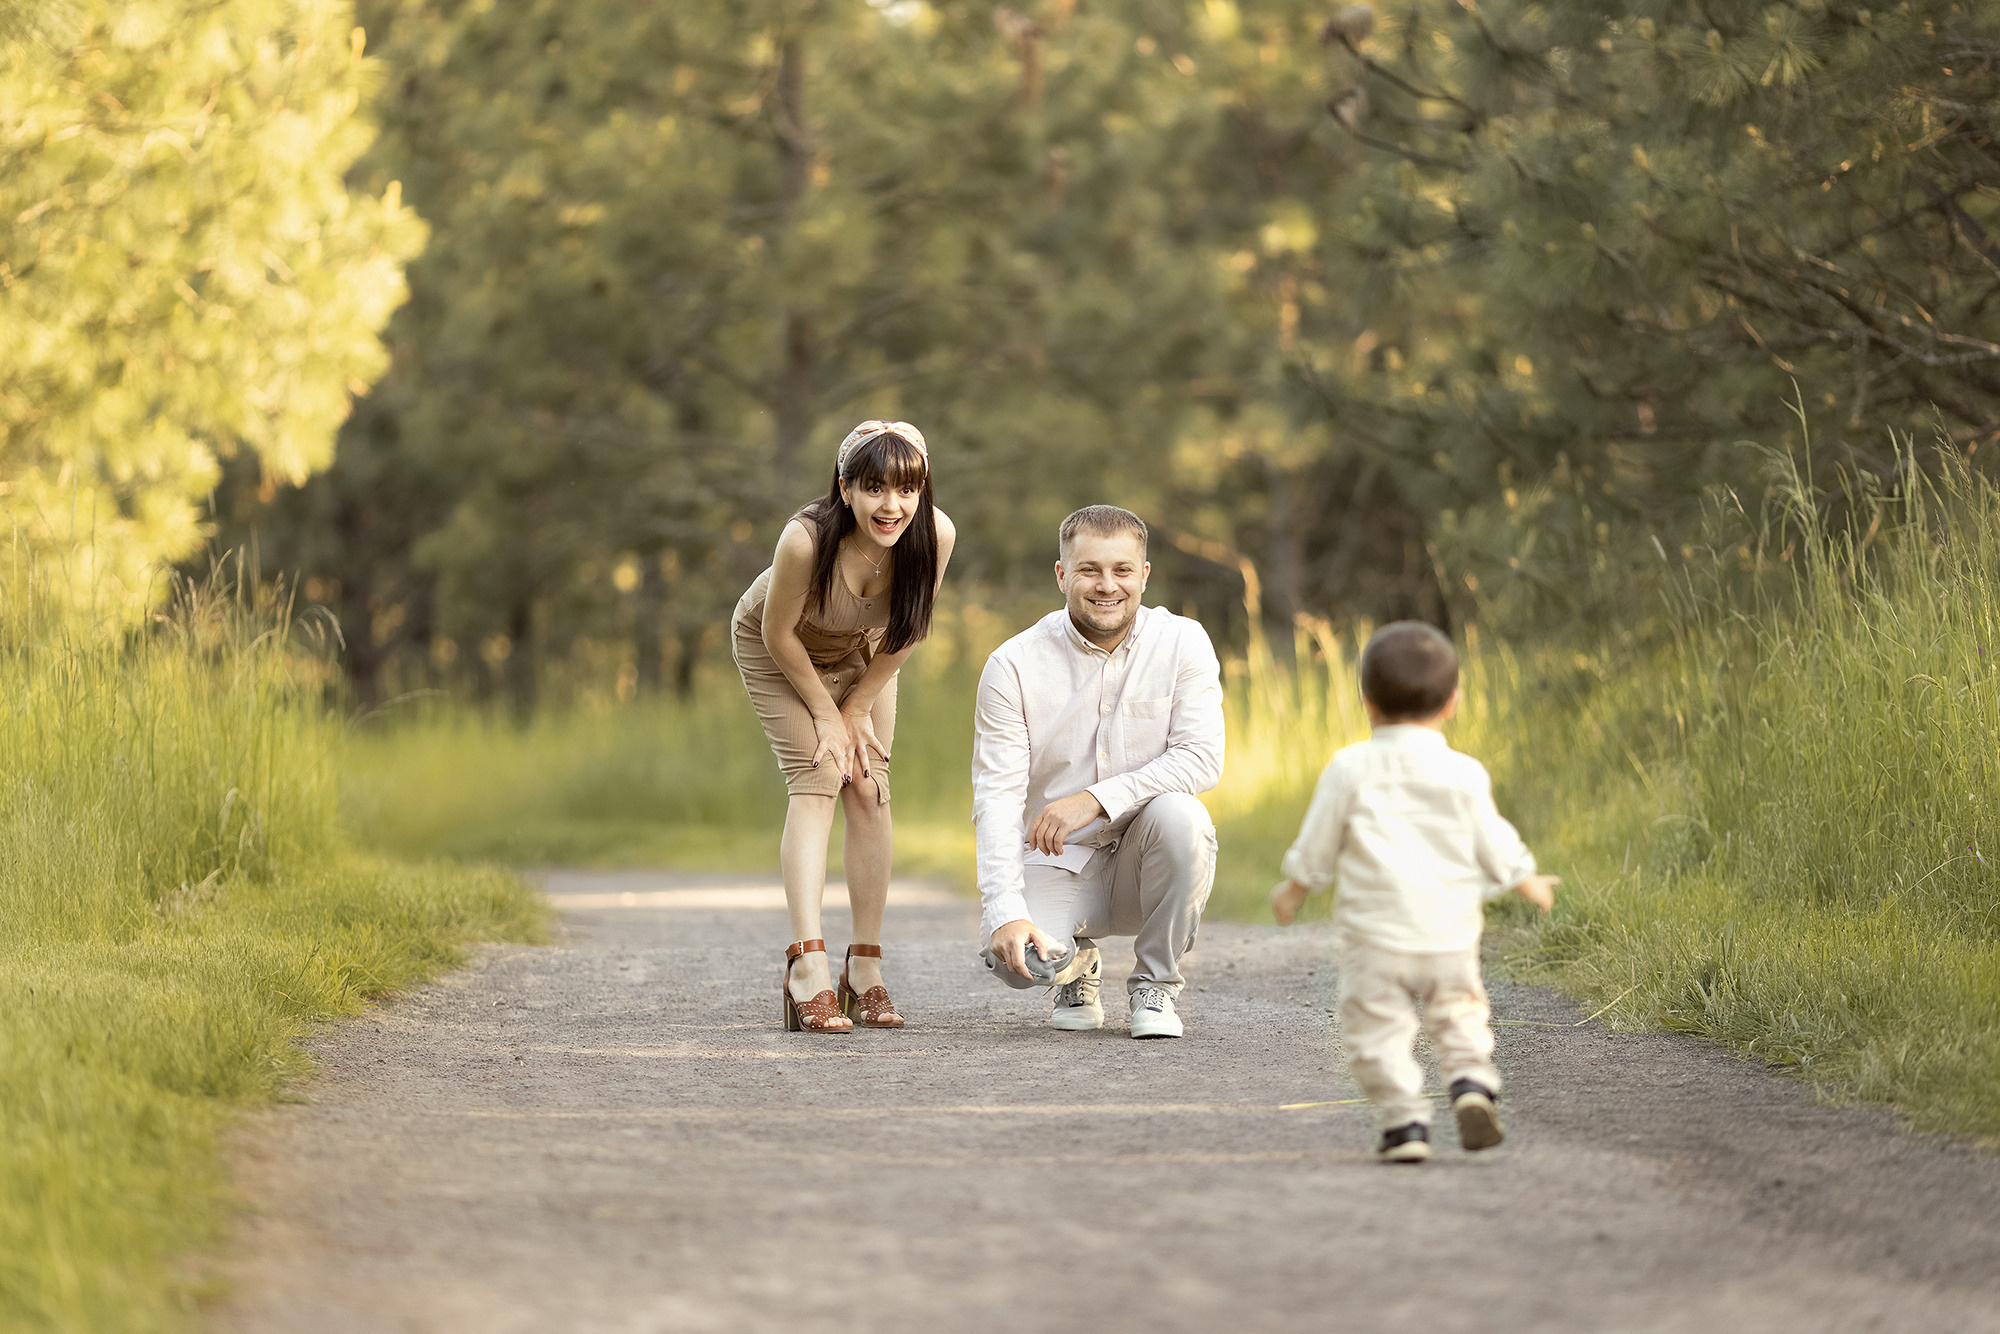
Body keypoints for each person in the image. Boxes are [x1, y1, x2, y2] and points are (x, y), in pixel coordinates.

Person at [1269, 620, 1558, 1162]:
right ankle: (1471, 1083)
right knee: (1460, 1017)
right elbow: (1495, 841)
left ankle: (1404, 1124)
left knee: (1376, 1032)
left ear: (1366, 702)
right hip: (1448, 937)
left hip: (1375, 940)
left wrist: (1295, 888)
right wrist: (1528, 881)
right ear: (1453, 703)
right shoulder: (1463, 772)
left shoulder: (1349, 767)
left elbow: (1318, 842)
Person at [732, 421, 955, 1034]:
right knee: (821, 773)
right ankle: (807, 967)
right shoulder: (805, 541)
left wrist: (857, 706)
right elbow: (777, 634)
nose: (893, 506)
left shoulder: (934, 534)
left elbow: (908, 628)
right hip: (778, 649)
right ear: (845, 487)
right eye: (875, 488)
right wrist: (828, 715)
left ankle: (865, 972)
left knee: (869, 785)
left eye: (907, 489)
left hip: (867, 650)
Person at [972, 505, 1224, 1039]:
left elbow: (1201, 757)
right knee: (1018, 966)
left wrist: (1095, 798)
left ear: (1144, 575)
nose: (1106, 585)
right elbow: (996, 796)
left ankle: (1156, 985)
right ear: (1062, 575)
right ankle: (1071, 967)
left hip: (1144, 859)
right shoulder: (1012, 665)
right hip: (1057, 860)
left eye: (1122, 570)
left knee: (1185, 816)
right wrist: (1004, 910)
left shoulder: (1184, 643)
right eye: (1088, 570)